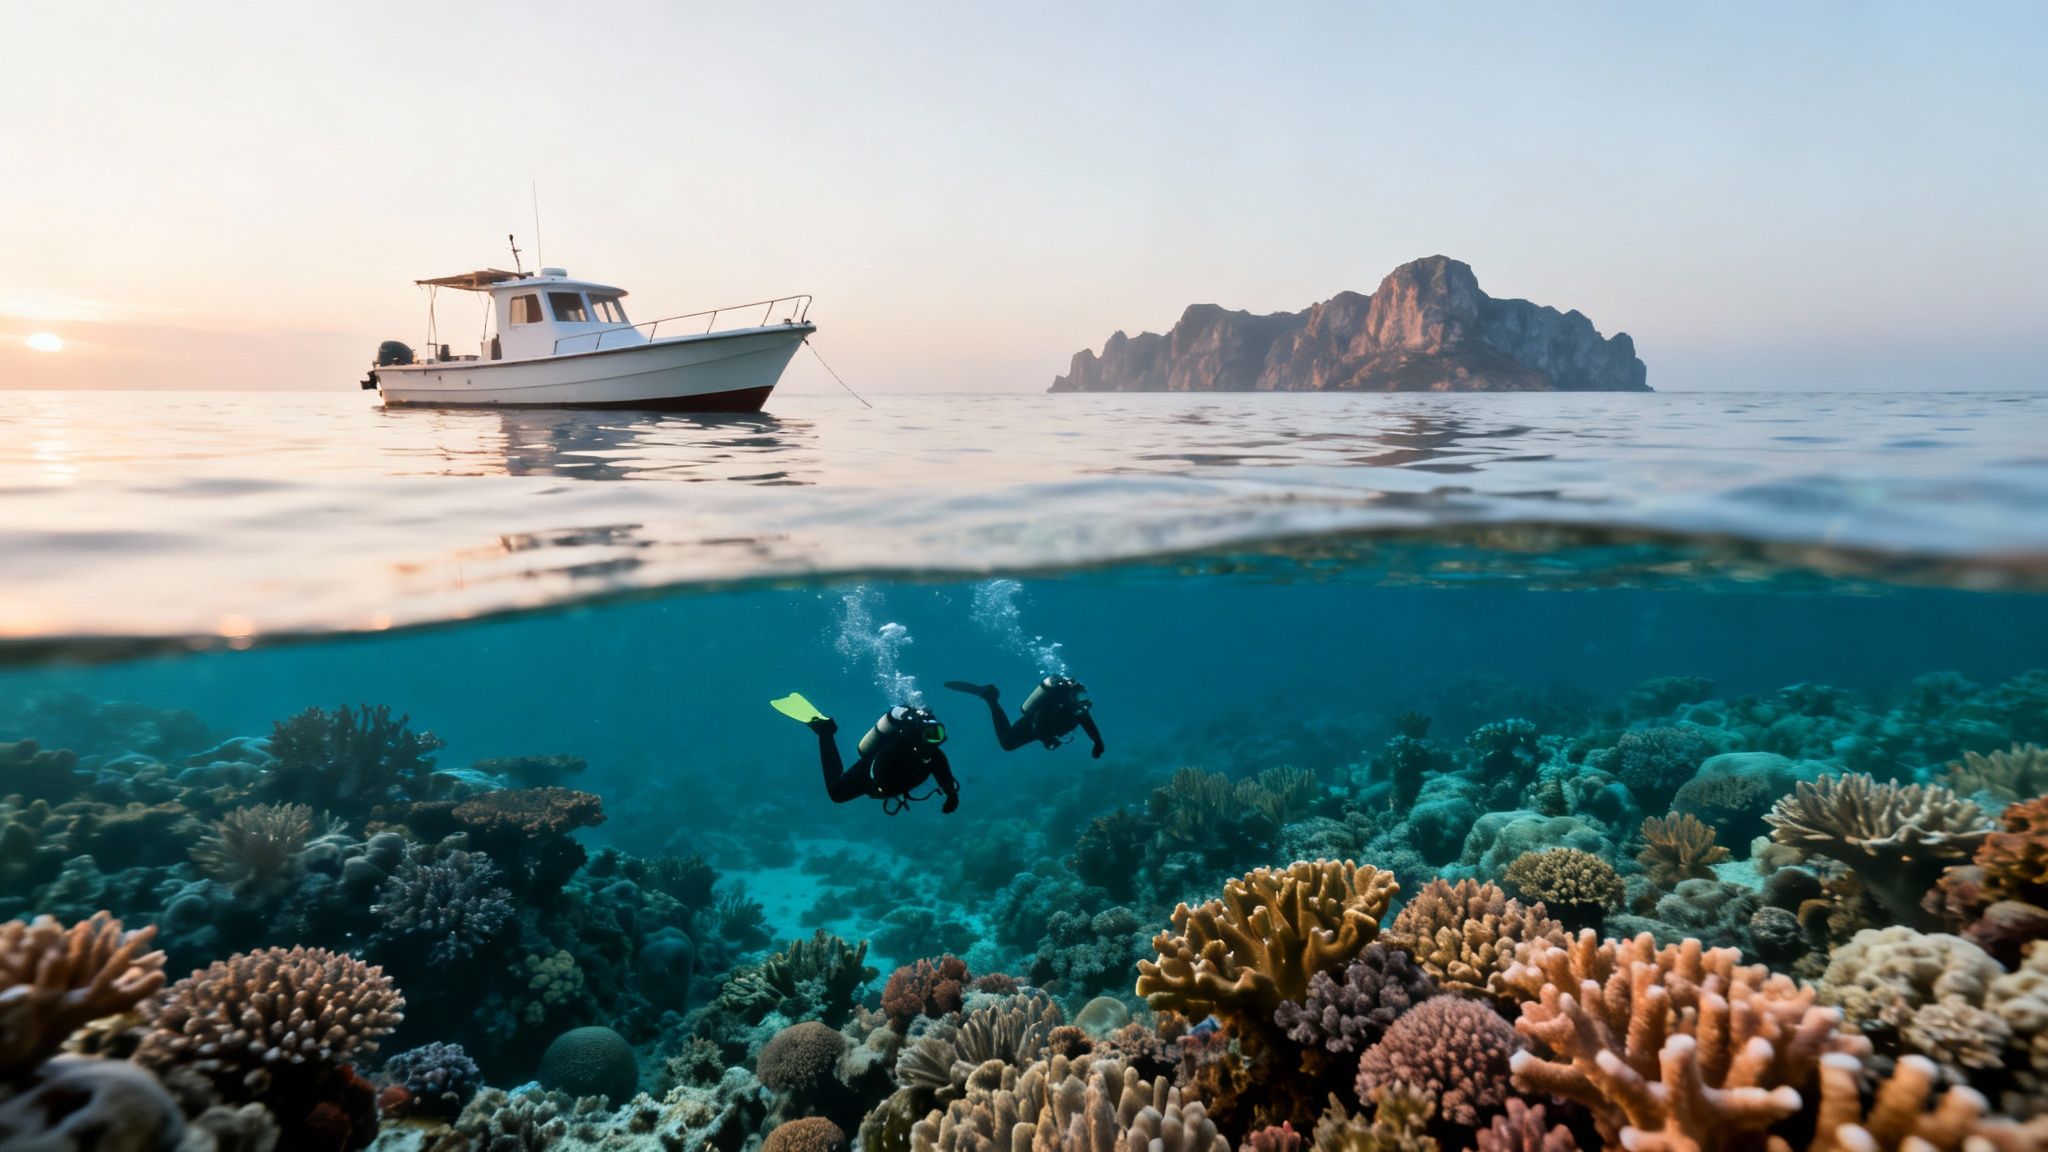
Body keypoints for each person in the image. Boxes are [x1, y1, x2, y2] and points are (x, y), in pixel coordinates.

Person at [807, 704, 960, 815]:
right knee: (836, 794)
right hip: (868, 775)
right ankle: (825, 732)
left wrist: (951, 796)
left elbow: (945, 776)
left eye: (938, 734)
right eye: (930, 734)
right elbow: (880, 767)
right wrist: (879, 788)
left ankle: (825, 732)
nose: (934, 740)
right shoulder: (900, 746)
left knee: (837, 795)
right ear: (919, 735)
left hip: (883, 787)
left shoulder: (935, 756)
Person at [945, 675, 1104, 758]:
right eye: (1080, 697)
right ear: (1070, 698)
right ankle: (990, 698)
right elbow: (1040, 721)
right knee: (1007, 743)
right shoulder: (1059, 705)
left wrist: (1097, 741)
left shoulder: (1079, 709)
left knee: (1008, 745)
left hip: (1045, 729)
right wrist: (1047, 739)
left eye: (1084, 696)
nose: (1083, 702)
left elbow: (1087, 722)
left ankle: (990, 696)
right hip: (1031, 725)